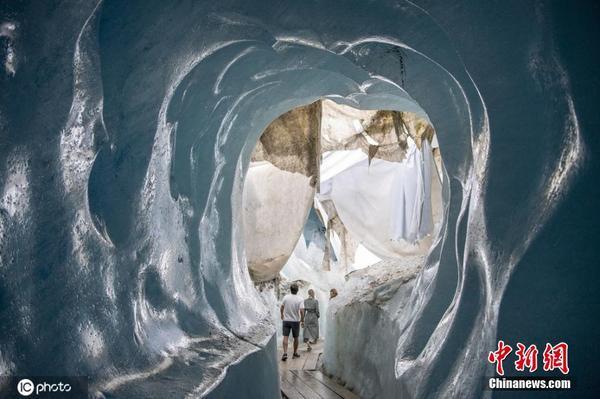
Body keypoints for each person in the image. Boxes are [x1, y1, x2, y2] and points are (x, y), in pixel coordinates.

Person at [280, 283, 304, 361]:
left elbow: (282, 307)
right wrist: (302, 320)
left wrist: (282, 315)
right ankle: (295, 353)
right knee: (296, 338)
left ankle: (285, 353)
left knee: (285, 337)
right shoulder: (300, 299)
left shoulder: (286, 297)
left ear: (290, 289)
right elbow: (302, 311)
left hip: (286, 320)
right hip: (295, 321)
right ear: (297, 290)